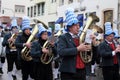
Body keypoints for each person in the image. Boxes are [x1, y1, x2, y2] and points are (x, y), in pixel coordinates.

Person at [57, 8, 91, 80]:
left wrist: (93, 45)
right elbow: (61, 52)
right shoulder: (63, 37)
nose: (78, 27)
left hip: (82, 71)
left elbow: (89, 56)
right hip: (69, 72)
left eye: (78, 25)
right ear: (69, 27)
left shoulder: (81, 37)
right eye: (75, 25)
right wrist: (77, 49)